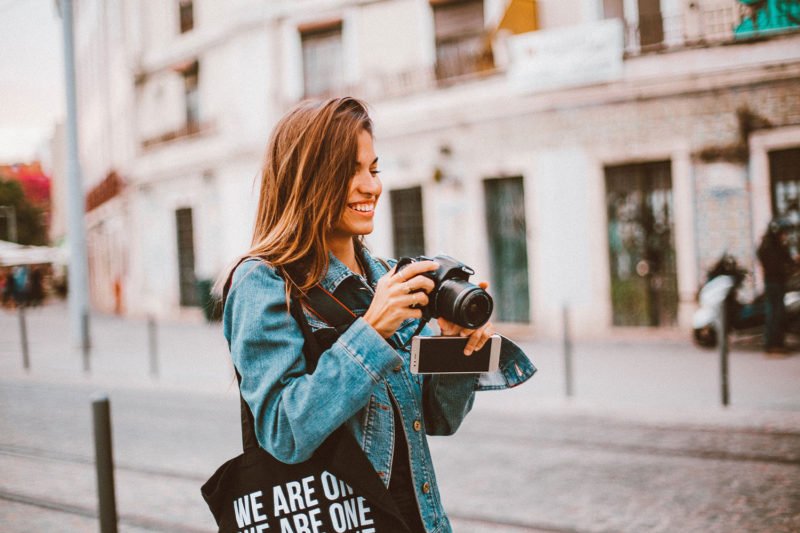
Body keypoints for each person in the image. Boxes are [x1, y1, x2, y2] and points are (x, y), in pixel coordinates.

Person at [220, 97, 535, 532]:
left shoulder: (386, 278)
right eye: (350, 170)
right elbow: (282, 430)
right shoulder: (265, 282)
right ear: (306, 179)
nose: (371, 186)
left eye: (373, 168)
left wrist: (455, 346)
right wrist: (372, 332)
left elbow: (438, 418)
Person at [757, 218, 797, 354]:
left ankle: (778, 343)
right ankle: (772, 345)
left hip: (777, 283)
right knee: (775, 313)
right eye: (783, 233)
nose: (785, 236)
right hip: (774, 283)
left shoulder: (777, 246)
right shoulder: (770, 247)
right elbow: (776, 266)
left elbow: (788, 261)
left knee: (778, 313)